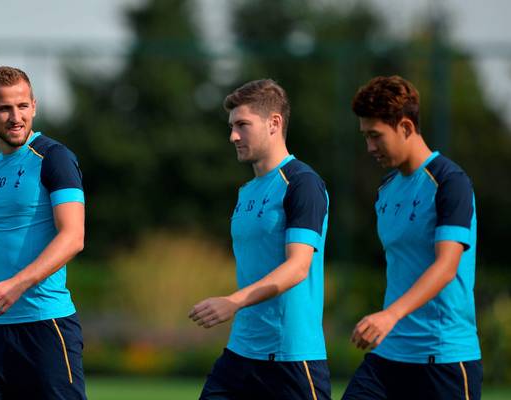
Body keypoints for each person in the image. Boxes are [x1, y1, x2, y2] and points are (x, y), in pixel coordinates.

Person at [189, 79, 331, 400]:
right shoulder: (246, 191)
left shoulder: (302, 183)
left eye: (242, 125)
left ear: (274, 123)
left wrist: (233, 302)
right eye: (231, 126)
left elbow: (298, 267)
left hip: (291, 359)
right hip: (241, 354)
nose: (233, 136)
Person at [342, 75, 482, 399]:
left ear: (405, 127)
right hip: (389, 356)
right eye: (365, 136)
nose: (369, 147)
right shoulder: (386, 192)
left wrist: (389, 314)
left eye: (376, 136)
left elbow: (446, 267)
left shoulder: (450, 182)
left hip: (443, 359)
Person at [0, 66, 87, 399]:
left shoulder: (55, 158)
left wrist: (14, 286)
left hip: (45, 328)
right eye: (4, 108)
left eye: (22, 106)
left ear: (34, 106)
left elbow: (73, 237)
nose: (16, 117)